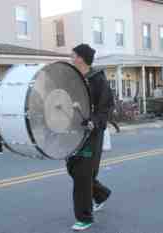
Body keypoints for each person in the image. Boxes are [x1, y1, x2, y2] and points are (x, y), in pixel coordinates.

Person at [66, 44, 113, 231]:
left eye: (73, 55)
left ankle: (84, 217)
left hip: (92, 133)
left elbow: (106, 107)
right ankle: (100, 194)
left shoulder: (98, 80)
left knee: (82, 174)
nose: (71, 58)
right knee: (72, 169)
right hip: (74, 132)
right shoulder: (73, 78)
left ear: (81, 58)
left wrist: (94, 121)